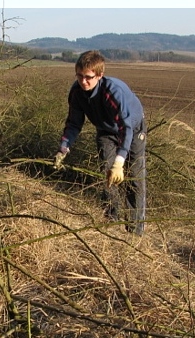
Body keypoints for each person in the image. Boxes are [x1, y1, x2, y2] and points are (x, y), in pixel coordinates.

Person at [54, 50, 147, 235]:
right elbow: (73, 123)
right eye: (79, 76)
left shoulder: (112, 92)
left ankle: (135, 230)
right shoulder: (77, 92)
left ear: (99, 75)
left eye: (88, 77)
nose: (83, 81)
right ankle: (110, 221)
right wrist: (63, 147)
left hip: (133, 129)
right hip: (105, 129)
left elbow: (125, 128)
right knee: (106, 171)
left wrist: (120, 163)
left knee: (134, 177)